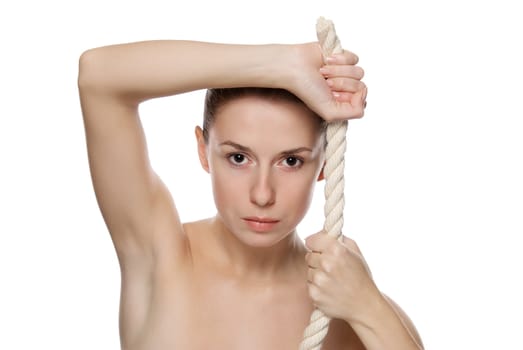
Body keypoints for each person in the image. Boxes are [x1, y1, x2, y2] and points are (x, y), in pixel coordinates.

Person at [78, 38, 424, 350]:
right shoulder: (159, 256)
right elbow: (98, 77)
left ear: (324, 164)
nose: (262, 194)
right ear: (203, 150)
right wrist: (280, 64)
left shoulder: (349, 305)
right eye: (238, 158)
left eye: (291, 160)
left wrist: (368, 309)